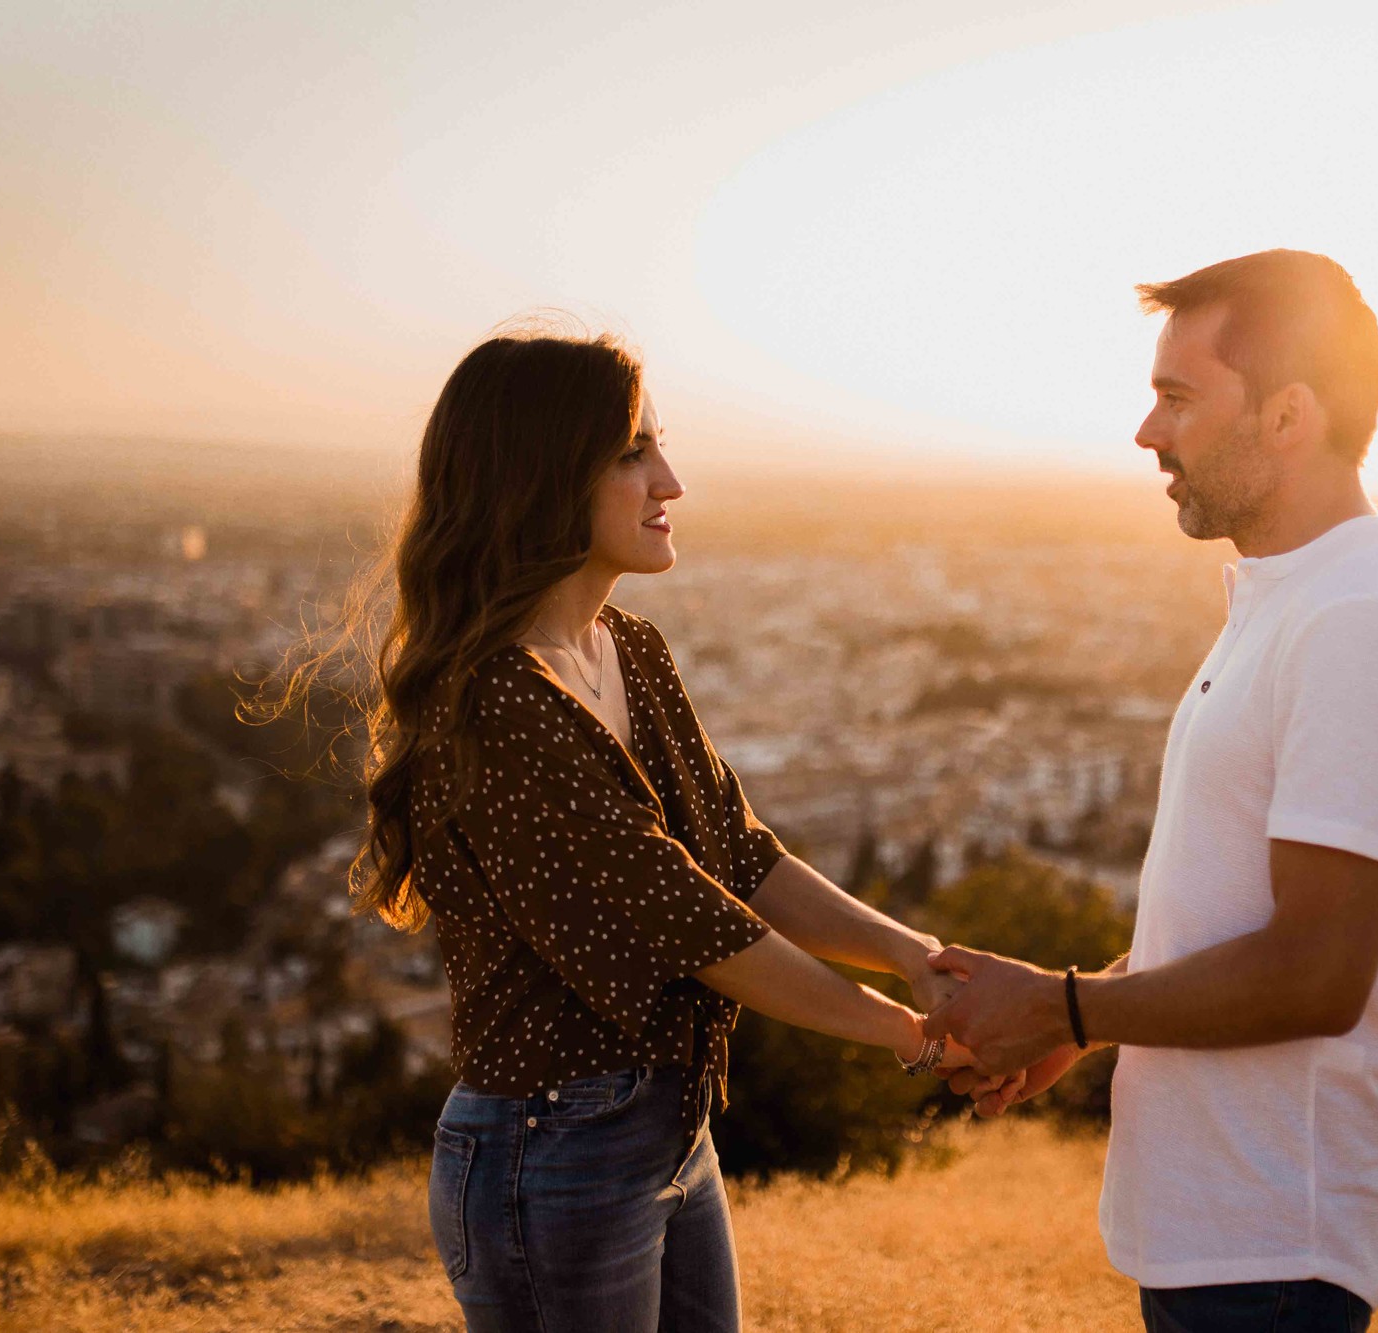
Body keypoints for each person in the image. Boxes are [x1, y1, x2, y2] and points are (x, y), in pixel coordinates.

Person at [326, 331, 978, 1332]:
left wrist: (914, 956)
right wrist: (914, 1034)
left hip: (669, 1125)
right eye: (632, 453)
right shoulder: (500, 701)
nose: (669, 480)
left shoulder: (628, 648)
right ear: (542, 476)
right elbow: (693, 927)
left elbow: (739, 855)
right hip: (552, 1147)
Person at [923, 250, 1378, 1333]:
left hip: (1271, 1245)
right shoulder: (1299, 595)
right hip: (1231, 1232)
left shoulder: (1360, 613)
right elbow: (1233, 916)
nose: (1147, 432)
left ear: (1287, 415)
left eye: (1177, 398)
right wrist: (1088, 1018)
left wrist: (1060, 1003)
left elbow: (1318, 973)